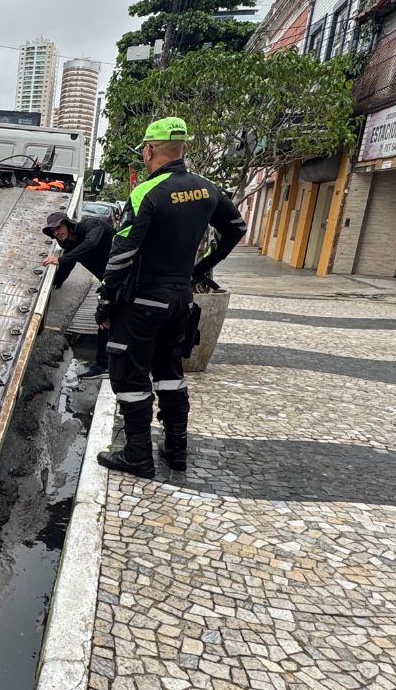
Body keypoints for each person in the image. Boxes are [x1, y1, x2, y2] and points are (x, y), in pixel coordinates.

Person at [94, 116, 247, 478]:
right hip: (180, 299)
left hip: (144, 301)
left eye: (145, 149)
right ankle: (176, 449)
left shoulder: (148, 192)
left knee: (130, 377)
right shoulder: (207, 189)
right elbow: (237, 228)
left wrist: (106, 298)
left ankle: (137, 456)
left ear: (149, 150)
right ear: (185, 148)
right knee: (170, 373)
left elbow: (123, 251)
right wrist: (202, 268)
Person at [41, 209, 116, 380]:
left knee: (107, 320)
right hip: (111, 283)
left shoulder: (91, 225)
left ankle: (107, 366)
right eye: (53, 231)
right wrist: (49, 283)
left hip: (128, 276)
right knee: (105, 320)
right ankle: (106, 365)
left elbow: (91, 244)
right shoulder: (72, 248)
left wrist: (59, 259)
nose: (57, 233)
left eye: (59, 227)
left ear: (68, 224)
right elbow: (64, 272)